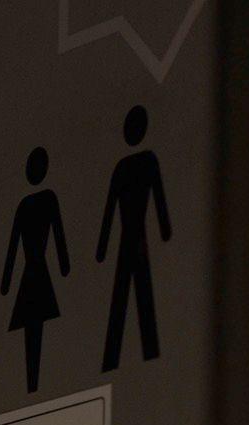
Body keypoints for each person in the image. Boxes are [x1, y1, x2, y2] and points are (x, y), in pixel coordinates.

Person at [95, 105, 172, 371]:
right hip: (134, 238)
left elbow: (157, 199)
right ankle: (122, 352)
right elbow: (109, 209)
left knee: (133, 291)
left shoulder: (135, 164)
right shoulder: (133, 164)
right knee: (131, 290)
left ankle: (132, 351)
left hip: (135, 237)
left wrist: (164, 230)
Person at [0, 148, 71, 392]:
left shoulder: (39, 201)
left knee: (36, 326)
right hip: (34, 271)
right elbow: (13, 246)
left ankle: (35, 383)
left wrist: (64, 266)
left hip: (35, 271)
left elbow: (57, 235)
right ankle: (32, 384)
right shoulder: (35, 202)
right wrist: (6, 280)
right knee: (33, 326)